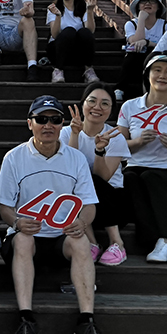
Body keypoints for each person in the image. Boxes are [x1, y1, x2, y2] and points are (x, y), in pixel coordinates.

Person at [0, 95, 111, 334]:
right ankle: (26, 318)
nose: (48, 125)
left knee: (81, 241)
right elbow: (4, 207)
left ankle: (86, 321)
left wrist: (82, 222)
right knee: (22, 239)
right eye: (41, 119)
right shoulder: (14, 157)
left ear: (62, 125)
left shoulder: (76, 158)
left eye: (55, 119)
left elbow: (89, 205)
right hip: (27, 238)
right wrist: (17, 221)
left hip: (61, 239)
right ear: (30, 123)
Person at [117, 54, 167, 265]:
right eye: (157, 70)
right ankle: (161, 241)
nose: (162, 75)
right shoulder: (129, 107)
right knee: (131, 179)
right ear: (148, 75)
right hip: (135, 168)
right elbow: (117, 146)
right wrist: (137, 142)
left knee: (151, 177)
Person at [63, 83, 132, 266]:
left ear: (111, 110)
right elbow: (68, 171)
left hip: (111, 203)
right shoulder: (65, 133)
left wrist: (99, 150)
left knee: (90, 180)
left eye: (105, 103)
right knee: (73, 184)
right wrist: (75, 135)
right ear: (83, 104)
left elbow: (103, 178)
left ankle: (117, 243)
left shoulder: (115, 137)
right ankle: (92, 243)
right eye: (92, 101)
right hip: (78, 205)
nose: (97, 107)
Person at [115, 0, 167, 101]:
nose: (147, 4)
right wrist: (141, 19)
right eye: (143, 2)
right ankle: (120, 88)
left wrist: (147, 42)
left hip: (157, 57)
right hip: (136, 58)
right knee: (133, 54)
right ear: (138, 6)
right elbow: (135, 42)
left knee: (151, 53)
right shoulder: (131, 24)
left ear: (158, 6)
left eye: (152, 1)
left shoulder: (166, 25)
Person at [46, 0, 99, 84]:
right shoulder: (53, 8)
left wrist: (90, 11)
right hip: (57, 51)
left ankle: (88, 69)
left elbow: (90, 31)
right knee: (69, 31)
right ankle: (58, 70)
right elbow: (55, 35)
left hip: (78, 53)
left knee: (83, 32)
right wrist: (58, 16)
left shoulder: (84, 7)